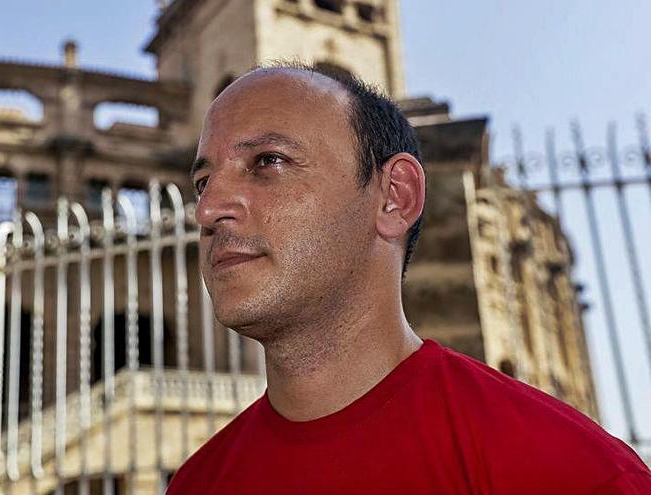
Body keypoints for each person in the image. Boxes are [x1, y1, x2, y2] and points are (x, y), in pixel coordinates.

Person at [165, 64, 651, 494]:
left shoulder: (568, 473)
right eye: (203, 182)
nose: (207, 210)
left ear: (394, 197)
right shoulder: (196, 483)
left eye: (268, 161)